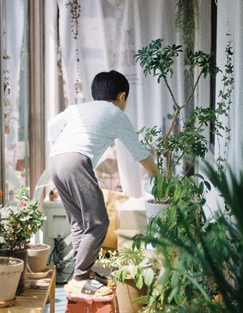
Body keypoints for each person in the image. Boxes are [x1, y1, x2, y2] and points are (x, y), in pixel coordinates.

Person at [47, 70, 159, 296]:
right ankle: (80, 277)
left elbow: (52, 125)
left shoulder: (78, 109)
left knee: (80, 223)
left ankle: (83, 273)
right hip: (75, 161)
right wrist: (160, 176)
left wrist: (64, 147)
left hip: (55, 161)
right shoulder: (116, 113)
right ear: (122, 96)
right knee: (98, 222)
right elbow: (139, 153)